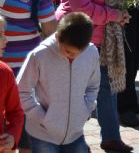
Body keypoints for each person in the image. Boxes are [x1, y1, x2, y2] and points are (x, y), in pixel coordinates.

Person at [55, 0, 132, 152]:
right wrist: (114, 15)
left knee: (107, 86)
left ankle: (110, 137)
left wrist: (121, 11)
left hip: (104, 35)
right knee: (78, 90)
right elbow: (81, 8)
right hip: (81, 36)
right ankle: (68, 137)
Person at [17, 13, 99, 152]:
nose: (73, 56)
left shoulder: (91, 52)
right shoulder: (39, 55)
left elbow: (93, 85)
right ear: (57, 37)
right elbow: (21, 91)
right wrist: (42, 118)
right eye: (68, 51)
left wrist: (86, 109)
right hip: (43, 134)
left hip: (75, 133)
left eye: (79, 53)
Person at [0, 15, 23, 152]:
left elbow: (15, 112)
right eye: (0, 34)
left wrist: (12, 135)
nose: (6, 40)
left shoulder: (5, 73)